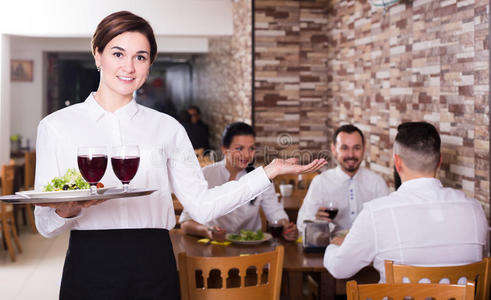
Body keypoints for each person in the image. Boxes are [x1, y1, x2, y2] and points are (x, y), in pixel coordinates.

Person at [33, 11, 326, 300]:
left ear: (149, 64)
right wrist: (69, 208)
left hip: (154, 263)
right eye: (118, 54)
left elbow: (202, 206)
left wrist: (267, 172)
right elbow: (44, 226)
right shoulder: (57, 127)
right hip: (89, 263)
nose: (129, 67)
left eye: (141, 57)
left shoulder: (167, 128)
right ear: (98, 55)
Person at [323, 122, 488, 281]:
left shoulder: (376, 214)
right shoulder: (475, 210)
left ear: (397, 162)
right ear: (439, 162)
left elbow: (339, 268)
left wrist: (333, 246)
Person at [179, 122, 298, 242]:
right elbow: (185, 222)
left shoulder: (261, 177)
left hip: (251, 250)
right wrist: (206, 231)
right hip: (214, 249)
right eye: (239, 148)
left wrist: (286, 227)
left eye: (251, 148)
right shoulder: (206, 174)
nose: (246, 154)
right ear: (225, 150)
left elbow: (275, 213)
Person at [296, 124, 389, 233]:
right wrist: (316, 222)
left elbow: (388, 220)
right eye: (344, 148)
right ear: (334, 149)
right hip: (331, 247)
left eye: (356, 148)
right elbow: (301, 224)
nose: (351, 154)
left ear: (364, 149)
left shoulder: (377, 182)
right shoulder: (321, 182)